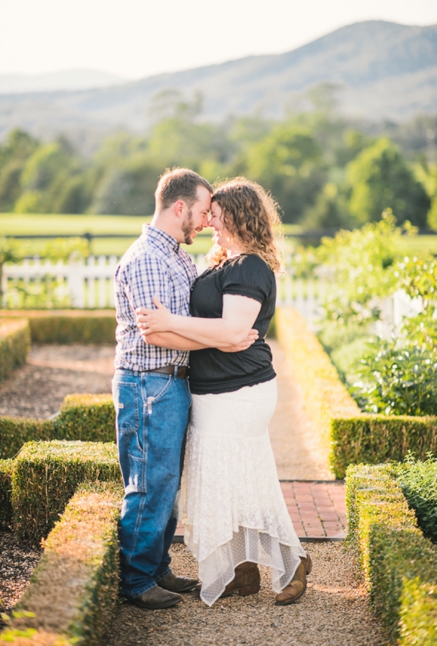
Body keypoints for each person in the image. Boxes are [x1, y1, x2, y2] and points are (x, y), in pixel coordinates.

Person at [136, 177, 311, 607]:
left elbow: (234, 331)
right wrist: (186, 330)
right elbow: (224, 333)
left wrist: (169, 324)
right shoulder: (221, 263)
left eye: (215, 213)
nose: (208, 220)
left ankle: (295, 561)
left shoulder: (250, 266)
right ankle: (241, 570)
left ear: (236, 215)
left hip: (241, 391)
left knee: (247, 480)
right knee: (223, 481)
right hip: (212, 391)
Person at [113, 167, 261, 610]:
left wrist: (215, 332)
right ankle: (136, 581)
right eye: (200, 211)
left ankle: (156, 568)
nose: (204, 221)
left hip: (172, 384)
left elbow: (179, 325)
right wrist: (227, 336)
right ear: (179, 207)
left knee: (167, 482)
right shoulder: (147, 260)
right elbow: (157, 335)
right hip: (148, 384)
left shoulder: (176, 255)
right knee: (149, 482)